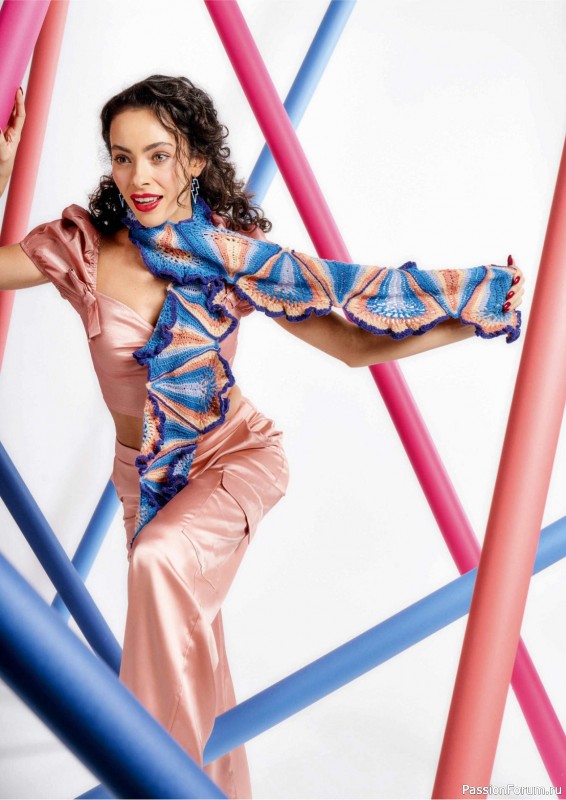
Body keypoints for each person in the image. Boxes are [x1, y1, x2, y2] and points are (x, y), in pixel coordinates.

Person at [0, 75, 524, 799]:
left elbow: (352, 341)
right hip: (145, 479)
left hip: (235, 456)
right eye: (122, 157)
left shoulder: (232, 258)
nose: (139, 177)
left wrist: (470, 318)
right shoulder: (83, 251)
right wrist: (1, 175)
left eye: (158, 155)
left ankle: (147, 780)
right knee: (187, 646)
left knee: (158, 562)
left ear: (193, 159)